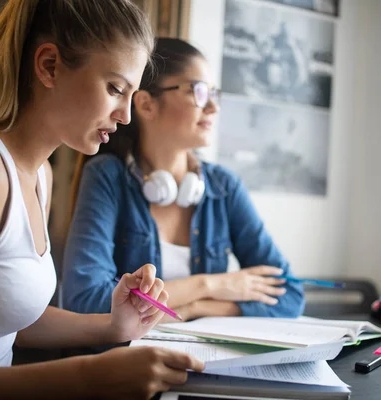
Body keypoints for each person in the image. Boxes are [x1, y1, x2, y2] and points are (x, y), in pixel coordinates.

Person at [0, 1, 204, 399]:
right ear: (49, 66)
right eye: (115, 88)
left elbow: (5, 320)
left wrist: (114, 327)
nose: (126, 116)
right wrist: (90, 376)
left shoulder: (39, 176)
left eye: (132, 95)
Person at [63, 38, 305, 322]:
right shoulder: (107, 177)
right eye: (198, 91)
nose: (213, 107)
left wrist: (196, 308)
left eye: (215, 94)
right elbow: (83, 301)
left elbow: (289, 295)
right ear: (146, 104)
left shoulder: (224, 187)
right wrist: (210, 285)